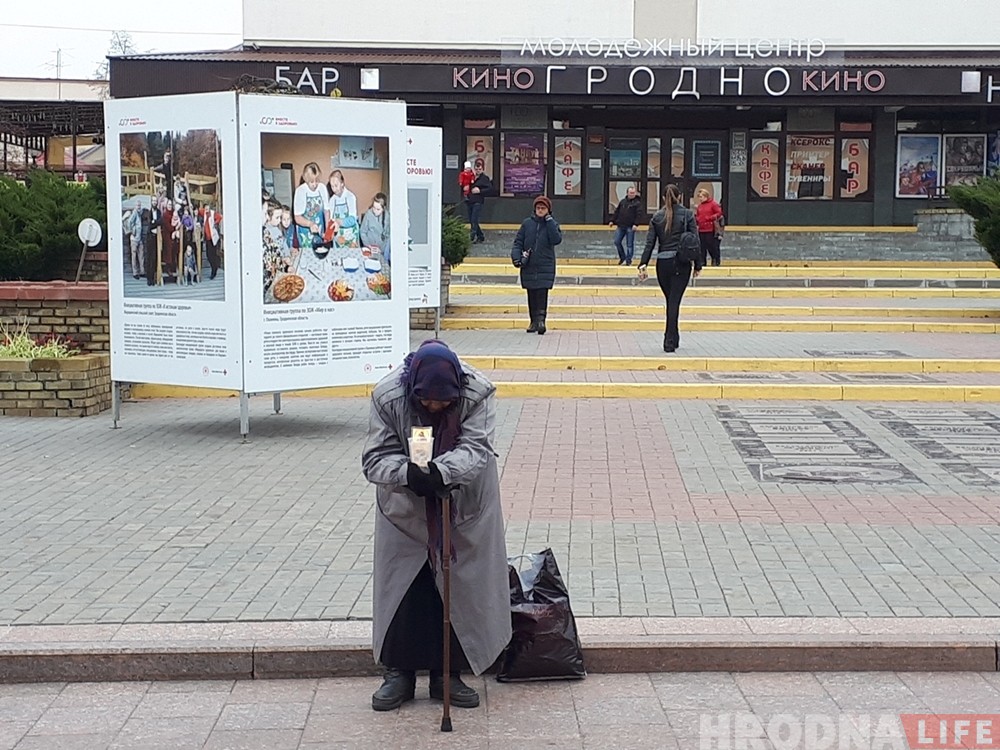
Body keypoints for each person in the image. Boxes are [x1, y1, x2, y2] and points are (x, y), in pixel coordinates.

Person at [361, 340, 511, 712]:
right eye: (426, 402)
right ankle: (399, 673)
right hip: (404, 506)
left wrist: (441, 472)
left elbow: (477, 448)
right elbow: (374, 458)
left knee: (459, 587)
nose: (434, 407)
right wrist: (408, 473)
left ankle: (450, 674)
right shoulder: (387, 396)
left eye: (443, 402)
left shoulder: (477, 392)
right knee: (406, 588)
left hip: (463, 502)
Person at [637, 184, 703, 353]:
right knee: (674, 302)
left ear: (662, 198)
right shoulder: (688, 214)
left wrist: (643, 264)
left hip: (663, 264)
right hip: (681, 263)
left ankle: (674, 336)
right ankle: (669, 339)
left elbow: (650, 243)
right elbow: (694, 241)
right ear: (679, 197)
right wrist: (698, 264)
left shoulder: (657, 217)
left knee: (670, 300)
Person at [511, 195, 563, 335]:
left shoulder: (552, 224)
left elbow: (556, 239)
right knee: (531, 293)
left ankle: (541, 321)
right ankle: (533, 321)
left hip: (545, 264)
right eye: (538, 208)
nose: (540, 210)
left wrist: (550, 221)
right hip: (529, 265)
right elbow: (518, 243)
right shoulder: (527, 223)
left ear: (548, 210)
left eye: (543, 208)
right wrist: (517, 258)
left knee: (542, 293)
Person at [293, 162, 329, 251]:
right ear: (306, 179)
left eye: (317, 180)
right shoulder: (300, 191)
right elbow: (297, 217)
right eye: (311, 181)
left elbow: (326, 211)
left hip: (320, 229)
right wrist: (310, 224)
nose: (315, 184)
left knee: (320, 251)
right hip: (305, 232)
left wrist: (328, 230)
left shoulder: (322, 188)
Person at [609, 185, 642, 265]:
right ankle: (622, 257)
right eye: (631, 193)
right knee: (617, 241)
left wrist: (636, 224)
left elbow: (639, 214)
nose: (632, 194)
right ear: (627, 193)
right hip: (621, 225)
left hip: (630, 227)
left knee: (629, 245)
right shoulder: (622, 202)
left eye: (633, 193)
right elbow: (617, 211)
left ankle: (628, 260)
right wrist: (612, 221)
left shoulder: (637, 203)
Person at [694, 187, 724, 267]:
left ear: (705, 196)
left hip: (710, 229)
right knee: (702, 246)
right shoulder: (700, 206)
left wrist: (710, 218)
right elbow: (698, 215)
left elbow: (719, 213)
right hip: (701, 229)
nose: (700, 199)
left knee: (712, 246)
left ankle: (715, 259)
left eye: (701, 197)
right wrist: (697, 219)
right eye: (699, 197)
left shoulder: (713, 204)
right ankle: (702, 261)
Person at [360, 192, 391, 264]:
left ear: (383, 208)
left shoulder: (387, 217)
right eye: (374, 208)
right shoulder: (368, 214)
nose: (375, 211)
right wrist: (368, 245)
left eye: (378, 209)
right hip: (369, 248)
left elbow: (387, 236)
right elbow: (362, 231)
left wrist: (381, 249)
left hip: (381, 250)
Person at [466, 160, 492, 244]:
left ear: (482, 169)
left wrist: (480, 190)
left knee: (474, 219)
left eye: (479, 169)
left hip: (478, 201)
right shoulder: (471, 178)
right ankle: (480, 236)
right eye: (476, 169)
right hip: (470, 201)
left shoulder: (485, 178)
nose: (478, 171)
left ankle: (472, 237)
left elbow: (490, 189)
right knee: (472, 220)